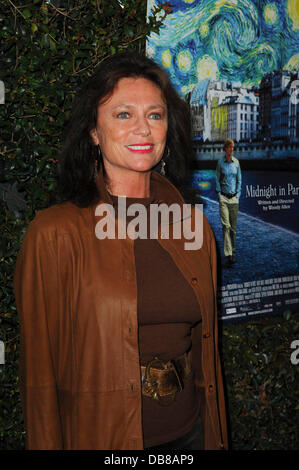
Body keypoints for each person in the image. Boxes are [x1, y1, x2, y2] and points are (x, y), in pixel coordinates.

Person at [14, 53, 228, 450]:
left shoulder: (193, 226)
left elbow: (205, 350)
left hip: (191, 432)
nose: (143, 129)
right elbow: (40, 381)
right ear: (94, 131)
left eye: (156, 115)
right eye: (123, 115)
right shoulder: (54, 234)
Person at [215, 138, 242, 266]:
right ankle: (229, 254)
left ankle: (233, 253)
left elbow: (239, 181)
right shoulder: (220, 163)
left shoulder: (236, 163)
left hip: (234, 199)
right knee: (226, 226)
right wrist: (219, 194)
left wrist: (238, 195)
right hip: (224, 199)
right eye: (229, 147)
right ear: (225, 149)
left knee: (233, 229)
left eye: (232, 148)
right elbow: (217, 179)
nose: (231, 150)